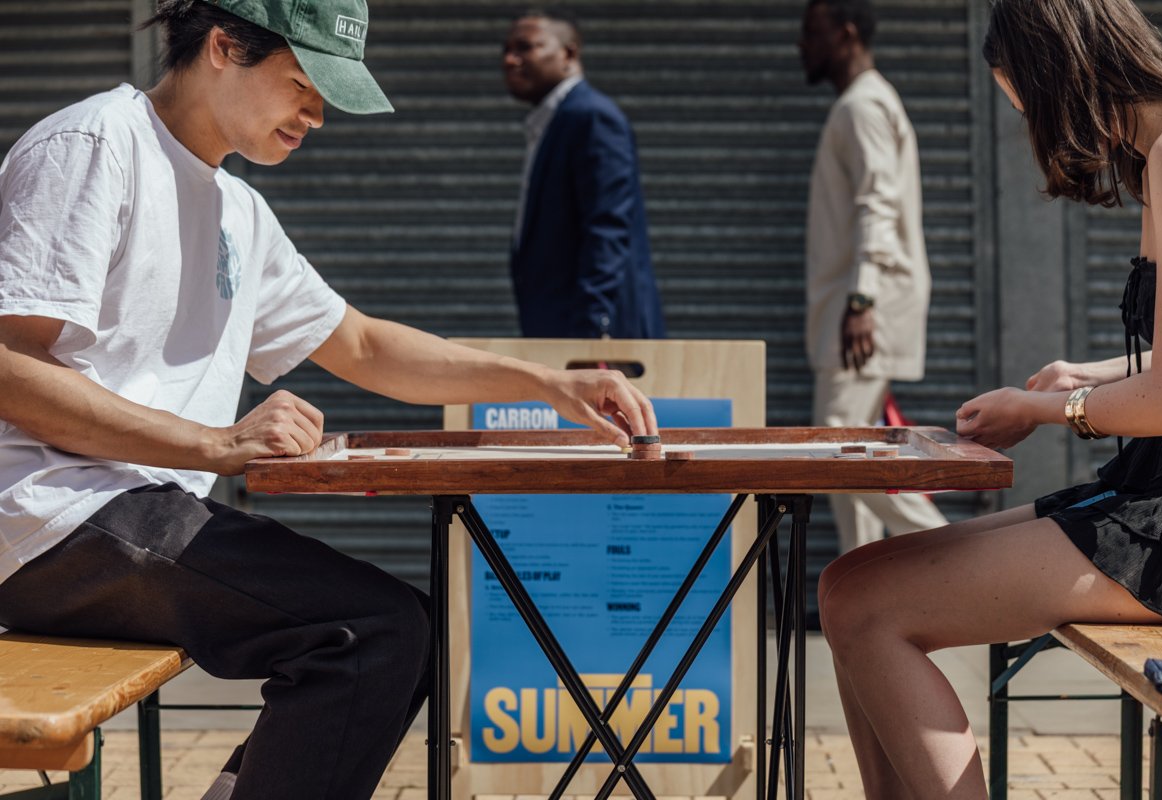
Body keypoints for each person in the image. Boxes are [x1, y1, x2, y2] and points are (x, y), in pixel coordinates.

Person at [0, 2, 658, 799]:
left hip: (133, 513)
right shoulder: (97, 147)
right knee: (374, 633)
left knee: (394, 630)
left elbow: (366, 345)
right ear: (222, 46)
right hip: (46, 519)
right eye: (305, 84)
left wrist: (547, 382)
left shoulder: (238, 212)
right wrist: (212, 443)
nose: (317, 114)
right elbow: (8, 367)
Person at [818, 0, 1162, 796]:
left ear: (1062, 71)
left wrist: (1044, 412)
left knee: (868, 606)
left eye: (1029, 104)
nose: (1041, 131)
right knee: (847, 584)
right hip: (1154, 490)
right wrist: (1084, 376)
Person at [798, 0, 947, 553]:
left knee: (838, 449)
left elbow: (876, 206)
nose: (801, 45)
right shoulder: (861, 104)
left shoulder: (862, 106)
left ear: (846, 33)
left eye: (812, 32)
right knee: (851, 454)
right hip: (856, 312)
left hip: (861, 312)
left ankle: (958, 549)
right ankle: (860, 582)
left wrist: (861, 299)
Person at [502, 9, 666, 339]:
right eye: (506, 50)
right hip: (564, 329)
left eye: (525, 47)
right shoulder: (558, 119)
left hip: (594, 339)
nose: (509, 60)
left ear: (569, 53)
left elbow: (608, 226)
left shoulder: (591, 117)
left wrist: (594, 327)